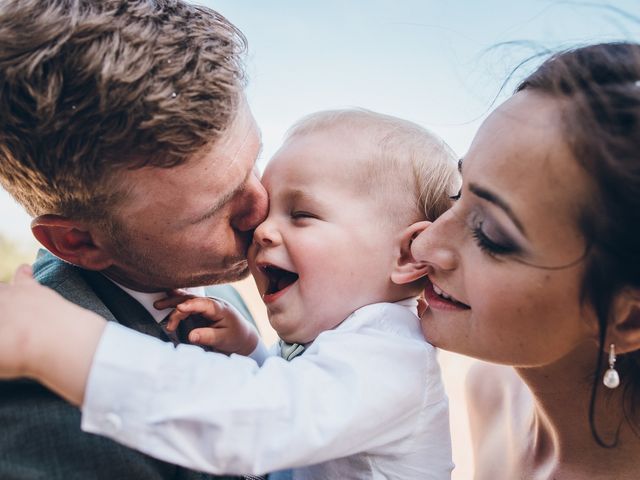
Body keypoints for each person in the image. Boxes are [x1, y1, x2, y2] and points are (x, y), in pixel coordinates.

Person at [0, 109, 460, 478]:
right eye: (217, 204)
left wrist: (72, 348)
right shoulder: (358, 338)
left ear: (406, 254)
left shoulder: (393, 358)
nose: (261, 225)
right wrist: (255, 355)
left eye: (300, 213)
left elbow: (263, 422)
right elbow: (302, 407)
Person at [0, 0, 267, 478]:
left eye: (254, 163)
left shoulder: (220, 296)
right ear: (77, 242)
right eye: (211, 211)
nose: (262, 210)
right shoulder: (47, 401)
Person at [407, 42, 640, 479]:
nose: (422, 247)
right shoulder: (492, 390)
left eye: (491, 236)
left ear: (626, 321)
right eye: (458, 193)